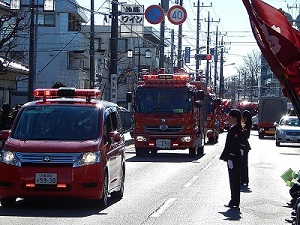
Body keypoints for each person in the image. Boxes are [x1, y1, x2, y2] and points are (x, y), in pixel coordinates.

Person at [220, 109, 243, 208]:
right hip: (234, 157)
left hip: (234, 158)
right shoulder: (235, 128)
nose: (228, 119)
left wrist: (231, 157)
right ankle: (234, 200)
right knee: (234, 180)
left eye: (230, 117)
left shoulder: (236, 129)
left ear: (235, 118)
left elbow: (234, 145)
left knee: (234, 180)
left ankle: (234, 200)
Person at [241, 110, 252, 186]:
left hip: (244, 146)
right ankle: (244, 179)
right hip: (244, 146)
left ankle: (244, 179)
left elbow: (246, 136)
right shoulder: (244, 123)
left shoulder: (246, 125)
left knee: (243, 163)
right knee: (243, 163)